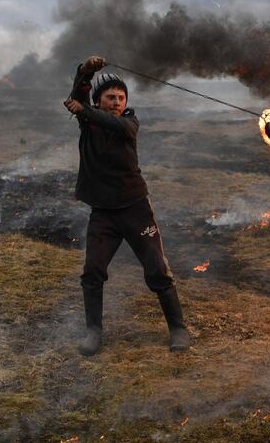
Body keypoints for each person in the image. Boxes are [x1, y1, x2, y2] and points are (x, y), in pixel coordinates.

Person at [63, 56, 190, 356]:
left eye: (121, 98)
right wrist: (86, 70)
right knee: (92, 272)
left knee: (158, 271)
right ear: (98, 100)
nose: (117, 102)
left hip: (135, 209)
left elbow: (104, 118)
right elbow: (79, 94)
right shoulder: (88, 120)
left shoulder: (129, 122)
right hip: (103, 213)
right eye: (110, 97)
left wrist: (85, 109)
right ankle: (93, 332)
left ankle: (178, 329)